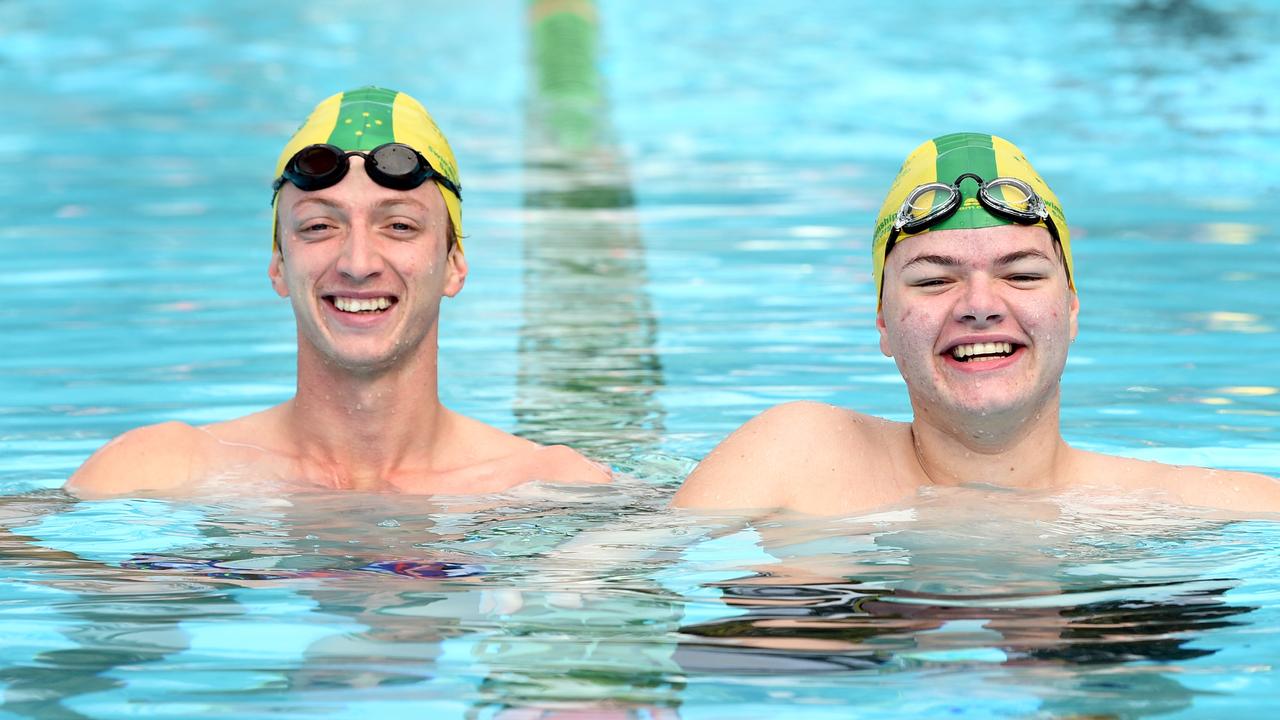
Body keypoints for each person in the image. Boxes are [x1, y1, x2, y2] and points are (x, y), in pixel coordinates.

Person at [673, 132, 1279, 515]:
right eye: (935, 280)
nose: (980, 304)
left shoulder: (1200, 512)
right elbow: (603, 586)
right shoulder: (800, 455)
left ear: (1071, 310)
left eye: (1022, 275)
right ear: (882, 324)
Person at [68, 86, 609, 498]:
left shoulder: (550, 488)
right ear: (279, 265)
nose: (356, 264)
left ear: (453, 266)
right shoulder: (159, 471)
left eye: (398, 226)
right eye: (319, 228)